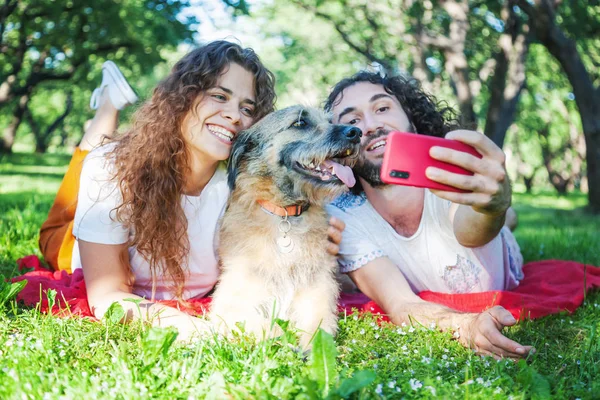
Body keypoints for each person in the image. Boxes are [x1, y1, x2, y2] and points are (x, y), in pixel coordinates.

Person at [38, 41, 345, 340]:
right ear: (182, 98)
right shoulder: (112, 172)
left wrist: (316, 237)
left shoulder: (243, 181)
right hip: (71, 245)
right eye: (219, 96)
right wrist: (190, 328)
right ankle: (108, 105)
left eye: (247, 107)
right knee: (94, 161)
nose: (235, 115)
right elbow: (107, 297)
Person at [324, 71, 533, 359]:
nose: (370, 126)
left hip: (501, 252)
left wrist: (492, 207)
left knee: (504, 219)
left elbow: (471, 230)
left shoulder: (450, 174)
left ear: (411, 118)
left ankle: (508, 215)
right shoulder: (343, 216)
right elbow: (400, 304)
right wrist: (465, 324)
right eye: (352, 121)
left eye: (382, 108)